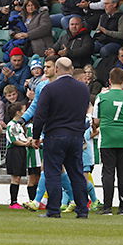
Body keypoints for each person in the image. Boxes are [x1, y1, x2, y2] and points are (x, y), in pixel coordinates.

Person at [32, 57, 90, 218]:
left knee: (53, 173)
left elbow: (40, 115)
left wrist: (35, 136)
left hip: (55, 135)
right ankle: (83, 210)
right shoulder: (83, 88)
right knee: (77, 174)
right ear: (71, 70)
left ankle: (54, 210)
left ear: (57, 69)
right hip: (76, 136)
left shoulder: (50, 89)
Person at [93, 68, 123, 215]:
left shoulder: (101, 97)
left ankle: (107, 207)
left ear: (110, 81)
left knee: (108, 172)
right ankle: (122, 208)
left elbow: (96, 120)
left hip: (107, 139)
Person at [5, 102, 30, 209]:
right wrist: (25, 143)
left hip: (21, 151)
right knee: (15, 177)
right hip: (14, 152)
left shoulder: (18, 125)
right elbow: (14, 140)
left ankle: (15, 201)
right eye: (23, 110)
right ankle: (13, 202)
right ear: (18, 112)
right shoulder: (11, 125)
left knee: (18, 177)